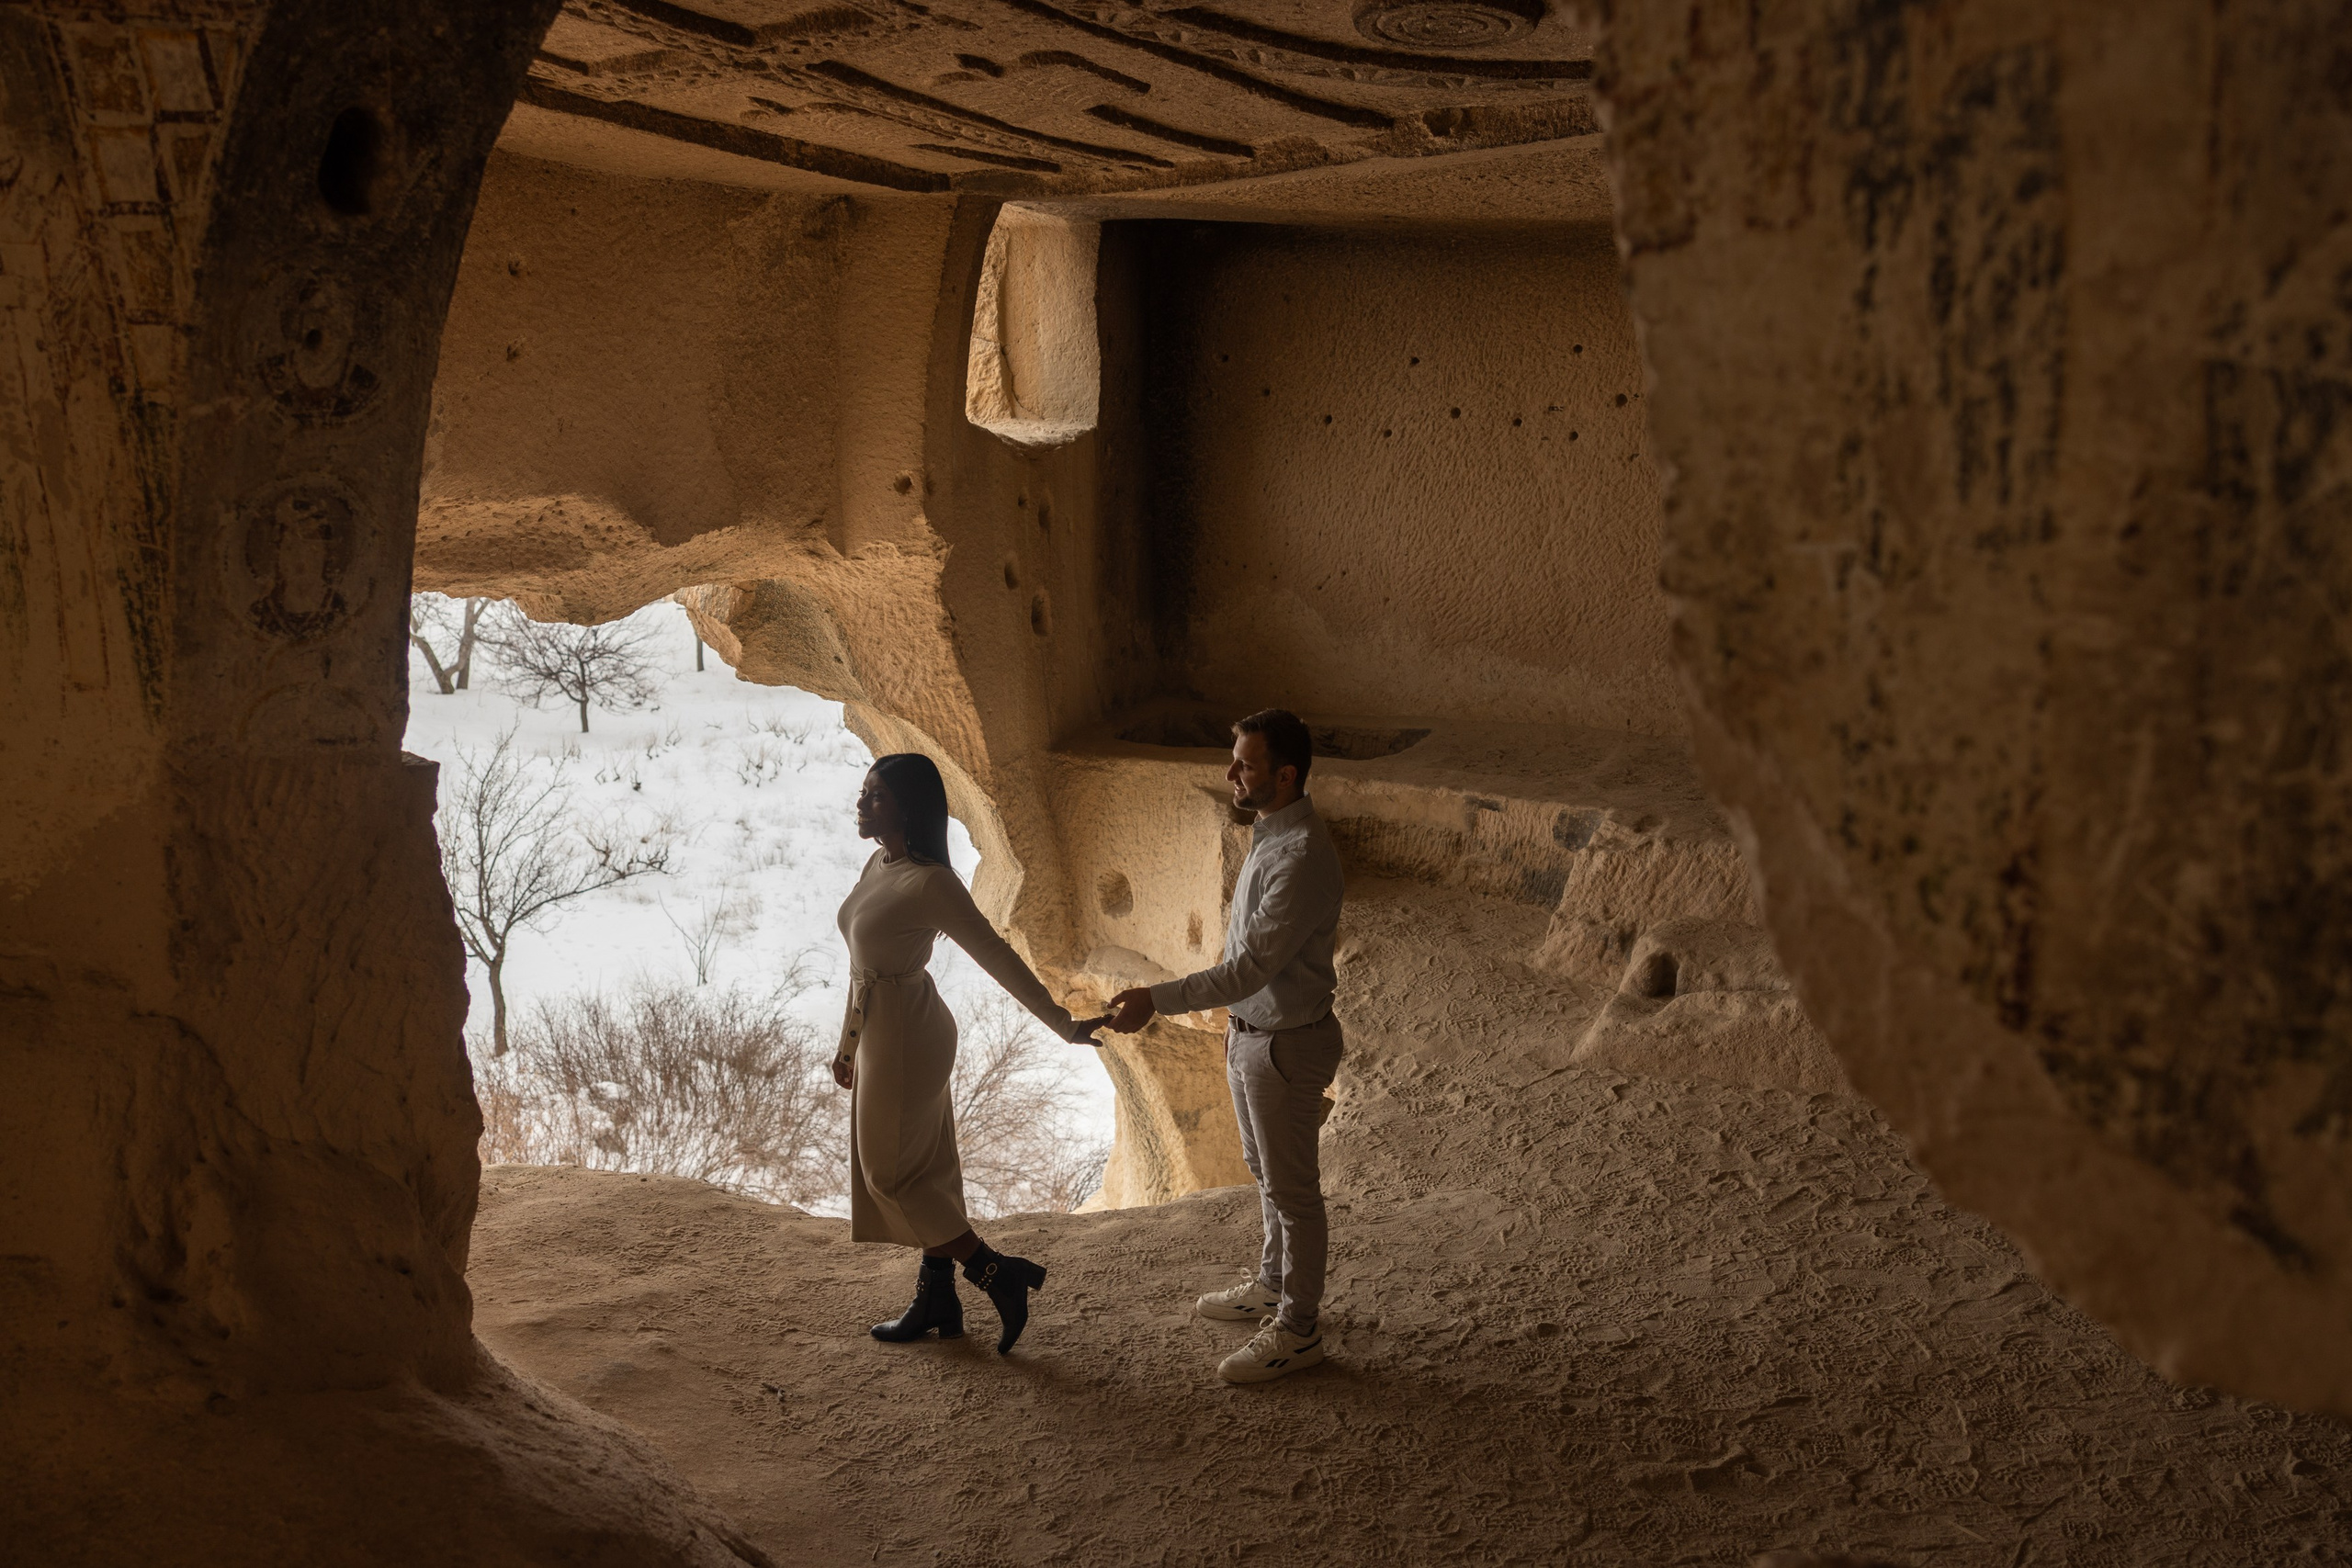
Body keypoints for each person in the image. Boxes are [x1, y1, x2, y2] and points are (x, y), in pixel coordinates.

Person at [833, 751, 1102, 1354]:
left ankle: (997, 1275)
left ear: (907, 807)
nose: (862, 801)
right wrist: (847, 1044)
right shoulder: (878, 863)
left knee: (890, 1176)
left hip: (909, 1038)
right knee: (920, 1168)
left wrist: (1062, 1024)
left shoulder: (931, 881)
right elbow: (861, 969)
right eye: (864, 790)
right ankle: (937, 1297)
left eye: (876, 795)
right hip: (882, 1032)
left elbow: (997, 955)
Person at [1107, 708, 1345, 1384]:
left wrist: (1157, 997)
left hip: (1285, 1046)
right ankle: (1274, 1285)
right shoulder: (1269, 835)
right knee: (1265, 1170)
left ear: (1286, 773)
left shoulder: (1298, 857)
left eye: (1244, 762)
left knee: (1294, 1192)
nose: (1230, 772)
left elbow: (1245, 971)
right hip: (1253, 1036)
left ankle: (1299, 1329)